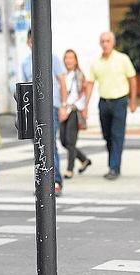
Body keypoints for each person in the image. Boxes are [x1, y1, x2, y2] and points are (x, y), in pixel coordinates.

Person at [84, 31, 137, 180]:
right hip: (104, 103)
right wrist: (86, 106)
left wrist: (133, 101)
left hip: (120, 101)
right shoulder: (96, 63)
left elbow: (132, 79)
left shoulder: (122, 59)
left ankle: (114, 167)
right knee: (107, 136)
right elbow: (90, 84)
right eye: (103, 41)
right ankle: (113, 164)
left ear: (113, 43)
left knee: (117, 135)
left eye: (108, 41)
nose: (105, 44)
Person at [22, 28, 67, 196]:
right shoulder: (26, 63)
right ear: (28, 43)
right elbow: (25, 87)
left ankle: (55, 181)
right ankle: (41, 181)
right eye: (33, 41)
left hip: (51, 107)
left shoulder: (52, 59)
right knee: (37, 146)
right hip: (33, 109)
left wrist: (63, 105)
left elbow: (62, 82)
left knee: (50, 144)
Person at [60, 49, 92, 178]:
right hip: (64, 110)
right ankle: (84, 159)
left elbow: (83, 94)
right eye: (66, 58)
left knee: (71, 141)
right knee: (63, 141)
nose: (69, 61)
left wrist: (82, 108)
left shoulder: (80, 75)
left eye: (71, 58)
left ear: (76, 60)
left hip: (74, 110)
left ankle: (69, 169)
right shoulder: (62, 75)